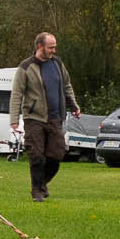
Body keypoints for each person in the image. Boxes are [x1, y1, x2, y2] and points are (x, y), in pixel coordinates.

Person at [10, 32, 81, 200]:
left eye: (55, 47)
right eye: (51, 47)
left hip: (55, 118)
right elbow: (16, 94)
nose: (54, 50)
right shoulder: (25, 67)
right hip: (34, 118)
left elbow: (67, 86)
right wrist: (14, 119)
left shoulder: (57, 63)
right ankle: (37, 192)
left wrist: (74, 106)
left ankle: (41, 184)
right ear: (40, 46)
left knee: (56, 155)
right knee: (37, 156)